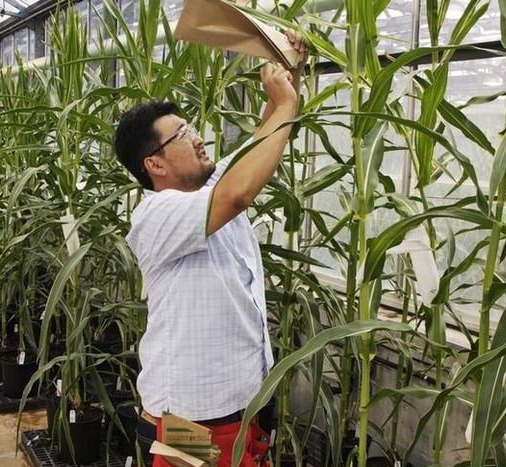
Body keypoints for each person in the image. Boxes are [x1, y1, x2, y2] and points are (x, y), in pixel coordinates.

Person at [114, 30, 308, 467]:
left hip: (241, 407)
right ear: (155, 164)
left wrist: (287, 70)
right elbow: (238, 193)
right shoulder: (158, 215)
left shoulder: (211, 189)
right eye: (182, 134)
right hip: (189, 420)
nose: (198, 136)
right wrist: (289, 105)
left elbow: (260, 142)